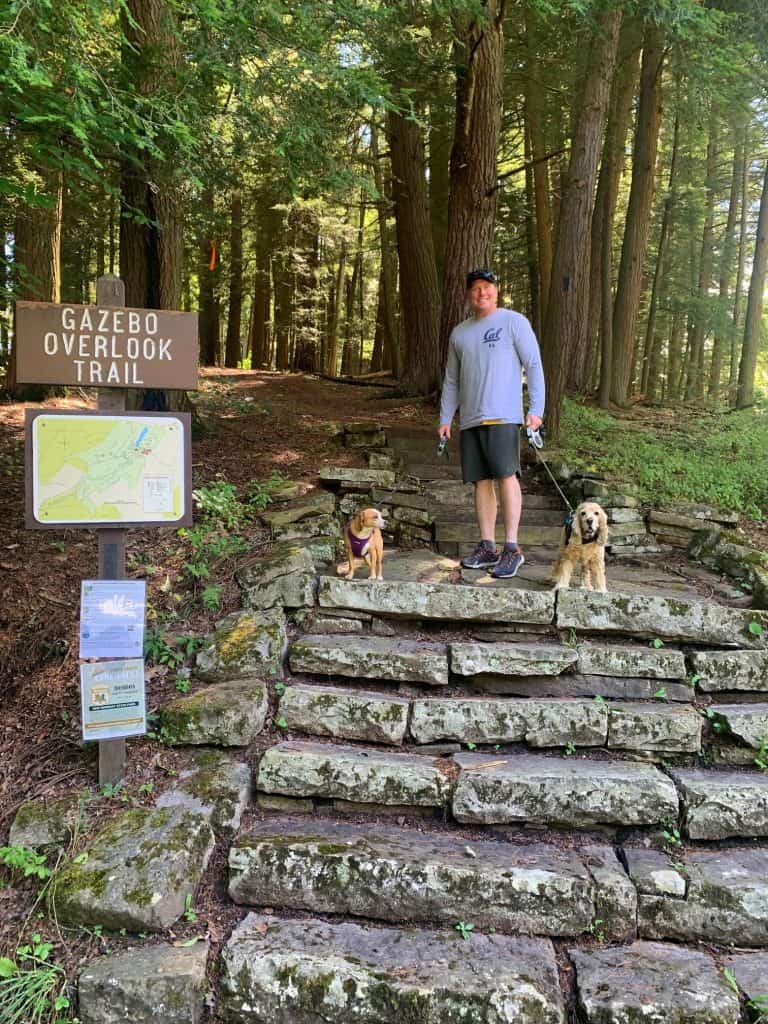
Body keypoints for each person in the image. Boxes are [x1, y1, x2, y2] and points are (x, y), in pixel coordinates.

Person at [438, 268, 545, 578]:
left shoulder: (514, 322)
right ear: (469, 294)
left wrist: (536, 409)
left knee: (505, 476)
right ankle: (488, 546)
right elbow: (451, 380)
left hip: (503, 416)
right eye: (475, 288)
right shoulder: (459, 333)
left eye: (487, 287)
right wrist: (446, 418)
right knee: (480, 482)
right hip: (471, 420)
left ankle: (512, 548)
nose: (481, 292)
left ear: (496, 291)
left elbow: (533, 364)